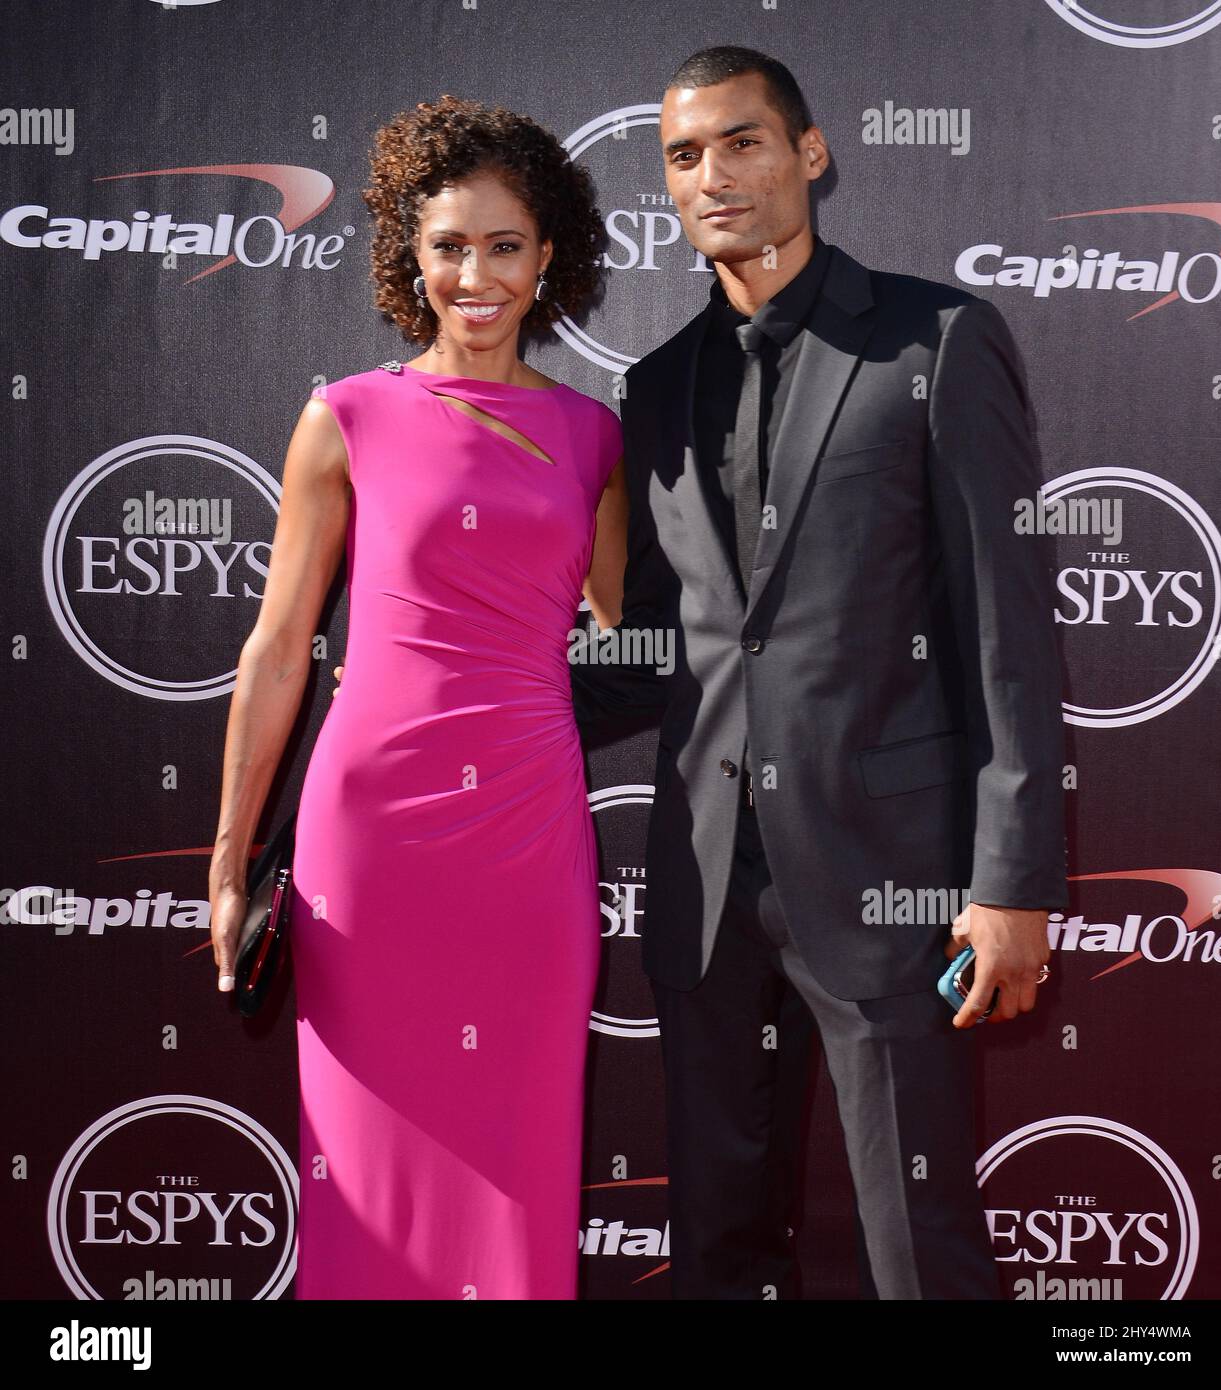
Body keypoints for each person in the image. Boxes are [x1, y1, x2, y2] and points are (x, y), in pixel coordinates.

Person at [568, 47, 1068, 1299]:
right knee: (716, 1248)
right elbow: (655, 642)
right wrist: (452, 705)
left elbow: (1005, 629)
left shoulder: (938, 339)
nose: (712, 175)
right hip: (701, 879)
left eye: (742, 142)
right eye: (683, 156)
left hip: (888, 877)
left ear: (810, 153)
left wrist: (1009, 881)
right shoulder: (655, 385)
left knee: (919, 1250)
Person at [208, 95, 629, 1299]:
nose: (475, 275)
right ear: (411, 255)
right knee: (363, 1159)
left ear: (548, 256)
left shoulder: (591, 436)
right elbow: (280, 646)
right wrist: (233, 854)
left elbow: (633, 633)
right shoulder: (345, 417)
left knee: (519, 1143)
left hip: (528, 832)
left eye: (504, 245)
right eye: (448, 245)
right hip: (372, 834)